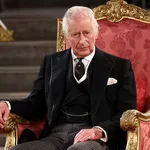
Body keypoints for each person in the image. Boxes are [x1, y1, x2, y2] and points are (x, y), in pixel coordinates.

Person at [0, 6, 136, 150]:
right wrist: (8, 105)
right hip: (56, 136)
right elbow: (35, 104)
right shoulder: (51, 63)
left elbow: (126, 112)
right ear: (66, 36)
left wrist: (99, 131)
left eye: (86, 33)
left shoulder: (119, 66)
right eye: (76, 34)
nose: (82, 40)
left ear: (95, 33)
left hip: (96, 138)